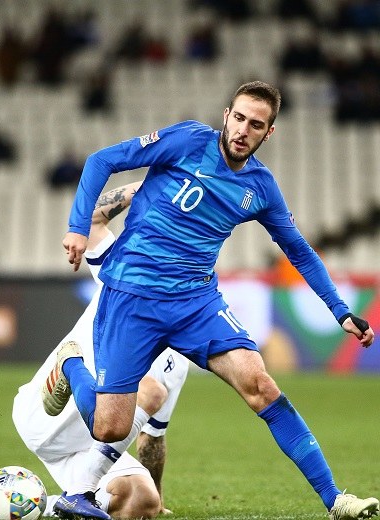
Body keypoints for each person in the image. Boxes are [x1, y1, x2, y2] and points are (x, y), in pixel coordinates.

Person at [44, 81, 379, 520]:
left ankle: (335, 500)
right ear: (226, 115)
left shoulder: (260, 187)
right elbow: (101, 160)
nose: (243, 130)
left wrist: (340, 311)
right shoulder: (186, 140)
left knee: (261, 386)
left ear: (269, 133)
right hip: (132, 295)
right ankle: (71, 363)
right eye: (238, 118)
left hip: (195, 302)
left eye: (255, 124)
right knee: (110, 427)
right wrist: (77, 228)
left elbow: (298, 249)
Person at [13, 181, 189, 519]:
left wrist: (158, 500)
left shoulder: (176, 359)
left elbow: (152, 437)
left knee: (141, 504)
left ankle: (39, 507)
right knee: (149, 390)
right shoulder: (123, 274)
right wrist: (153, 182)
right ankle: (70, 366)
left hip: (84, 448)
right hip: (44, 412)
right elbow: (92, 218)